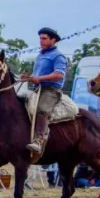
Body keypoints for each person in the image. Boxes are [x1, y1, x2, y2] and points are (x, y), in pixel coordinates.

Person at [22, 27, 68, 158]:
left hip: (51, 90)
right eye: (40, 38)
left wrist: (39, 79)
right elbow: (37, 75)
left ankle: (39, 140)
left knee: (42, 109)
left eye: (44, 38)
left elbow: (59, 75)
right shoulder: (40, 55)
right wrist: (28, 77)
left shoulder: (58, 56)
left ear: (53, 40)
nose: (41, 41)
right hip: (38, 89)